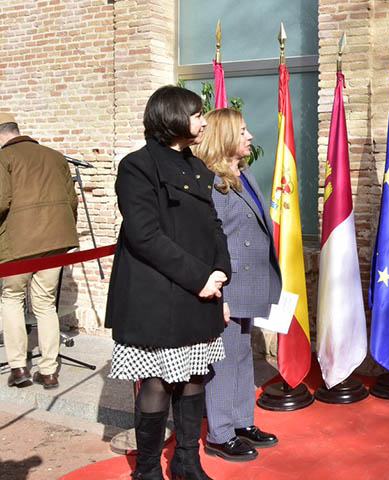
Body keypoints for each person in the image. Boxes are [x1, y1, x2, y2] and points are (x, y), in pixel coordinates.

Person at [105, 86, 230, 480]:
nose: (204, 122)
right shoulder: (137, 167)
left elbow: (213, 226)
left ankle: (186, 461)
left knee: (194, 377)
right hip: (156, 295)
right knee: (158, 382)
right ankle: (146, 471)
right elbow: (144, 235)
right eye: (196, 114)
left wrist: (221, 271)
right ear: (172, 116)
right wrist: (200, 278)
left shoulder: (198, 167)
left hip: (201, 292)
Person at [194, 108, 281, 462]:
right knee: (225, 361)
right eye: (243, 131)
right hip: (227, 286)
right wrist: (219, 294)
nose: (250, 137)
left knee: (244, 356)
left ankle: (242, 422)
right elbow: (207, 242)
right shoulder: (210, 183)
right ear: (226, 136)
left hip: (249, 283)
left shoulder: (241, 174)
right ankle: (219, 434)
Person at [0, 112, 79, 390]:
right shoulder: (55, 156)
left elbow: (1, 201)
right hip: (55, 242)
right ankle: (49, 372)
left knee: (11, 299)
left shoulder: (4, 158)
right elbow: (72, 201)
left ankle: (19, 368)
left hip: (18, 245)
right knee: (45, 304)